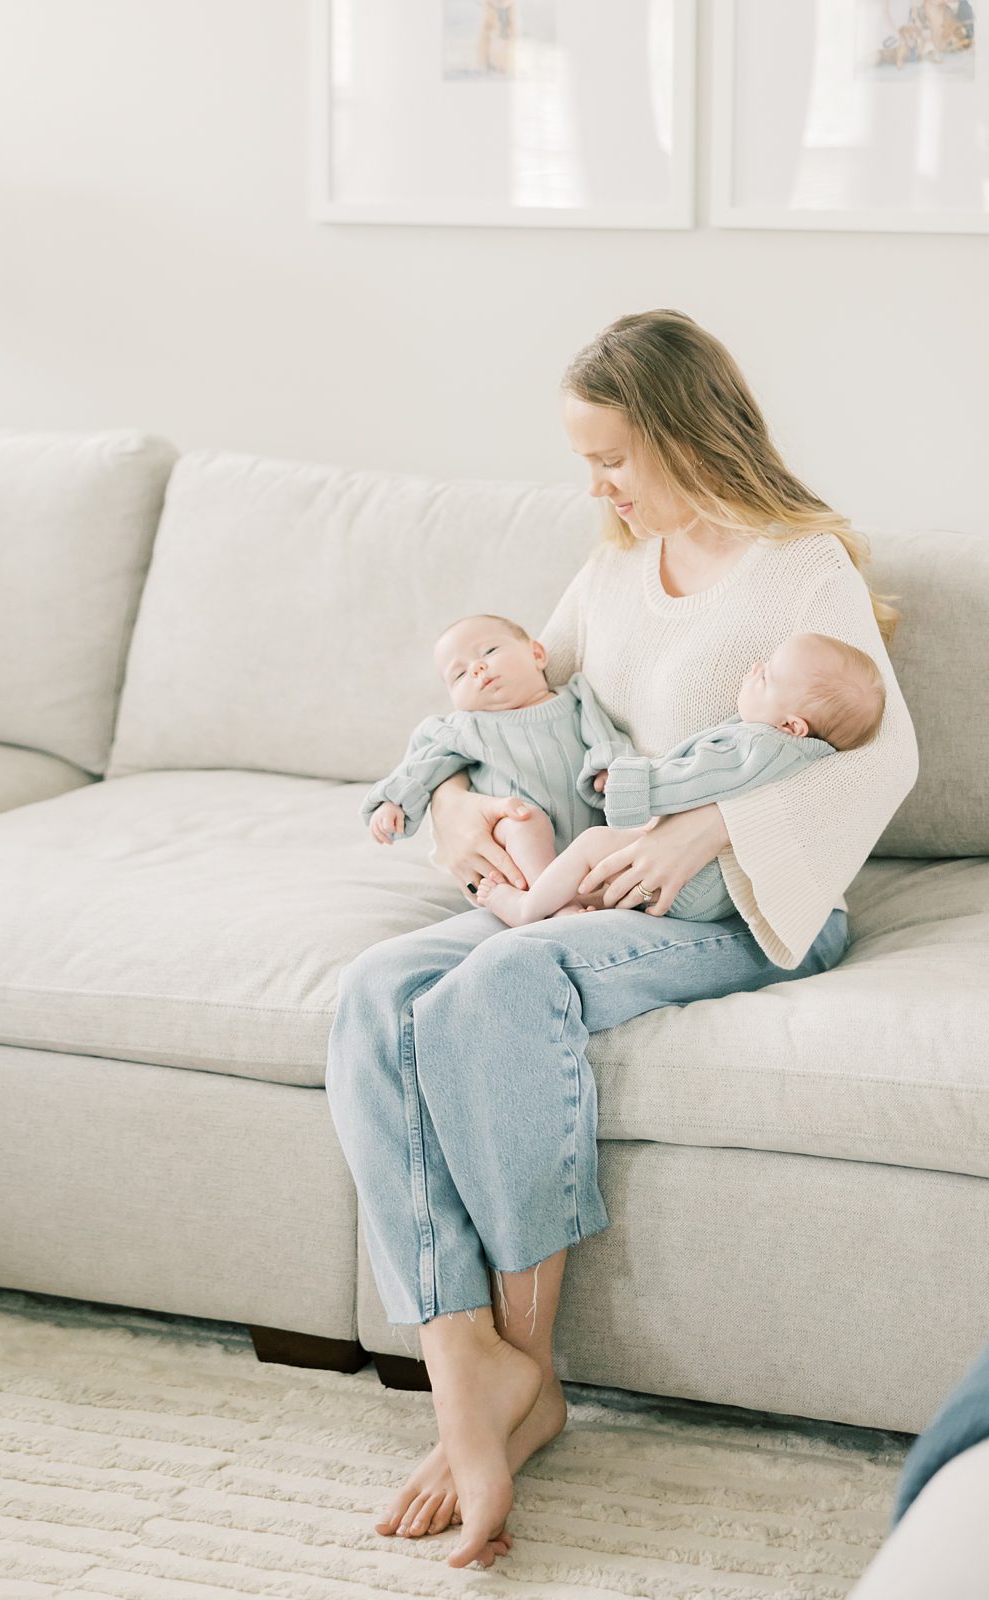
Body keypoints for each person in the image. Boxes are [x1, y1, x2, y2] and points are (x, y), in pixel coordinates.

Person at [324, 309, 919, 1572]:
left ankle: (528, 1371)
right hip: (598, 889)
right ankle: (461, 1357)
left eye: (612, 458)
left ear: (688, 433)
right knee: (379, 989)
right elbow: (509, 700)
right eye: (586, 459)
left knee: (510, 976)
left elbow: (880, 751)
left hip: (749, 912)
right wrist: (451, 809)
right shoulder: (607, 569)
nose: (594, 485)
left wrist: (701, 833)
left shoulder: (798, 566)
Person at [477, 631, 886, 928]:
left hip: (696, 879)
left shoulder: (761, 746)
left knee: (593, 844)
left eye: (767, 676)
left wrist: (631, 782)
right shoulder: (779, 742)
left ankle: (526, 909)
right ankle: (568, 905)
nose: (756, 668)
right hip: (696, 877)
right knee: (606, 855)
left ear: (793, 725)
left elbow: (693, 777)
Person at [363, 612, 633, 919]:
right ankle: (548, 906)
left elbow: (603, 737)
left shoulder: (576, 699)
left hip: (584, 842)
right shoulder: (468, 728)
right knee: (523, 819)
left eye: (489, 652)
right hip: (512, 850)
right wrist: (392, 802)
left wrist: (608, 769)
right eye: (459, 675)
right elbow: (423, 762)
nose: (476, 668)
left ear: (537, 654)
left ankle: (551, 902)